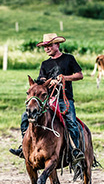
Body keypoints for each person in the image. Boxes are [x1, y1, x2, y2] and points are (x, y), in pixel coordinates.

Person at [10, 33, 85, 163]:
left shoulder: (68, 59)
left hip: (64, 99)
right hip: (47, 100)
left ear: (57, 45)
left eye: (49, 45)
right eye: (45, 46)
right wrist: (43, 81)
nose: (46, 49)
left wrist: (63, 78)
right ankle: (24, 147)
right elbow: (41, 81)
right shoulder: (45, 64)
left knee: (71, 121)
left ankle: (75, 150)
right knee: (25, 117)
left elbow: (79, 75)